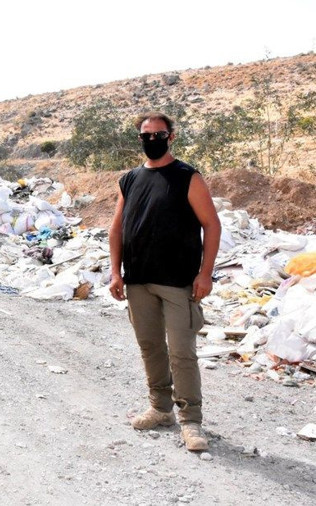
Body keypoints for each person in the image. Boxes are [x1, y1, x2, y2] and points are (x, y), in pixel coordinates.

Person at [109, 113, 221, 452]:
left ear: (171, 137)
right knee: (151, 347)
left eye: (158, 134)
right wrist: (115, 272)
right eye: (146, 135)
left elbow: (212, 225)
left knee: (182, 352)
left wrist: (205, 273)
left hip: (178, 282)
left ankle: (191, 421)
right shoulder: (129, 179)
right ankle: (160, 408)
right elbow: (116, 229)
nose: (152, 139)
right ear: (139, 138)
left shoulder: (188, 176)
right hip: (139, 280)